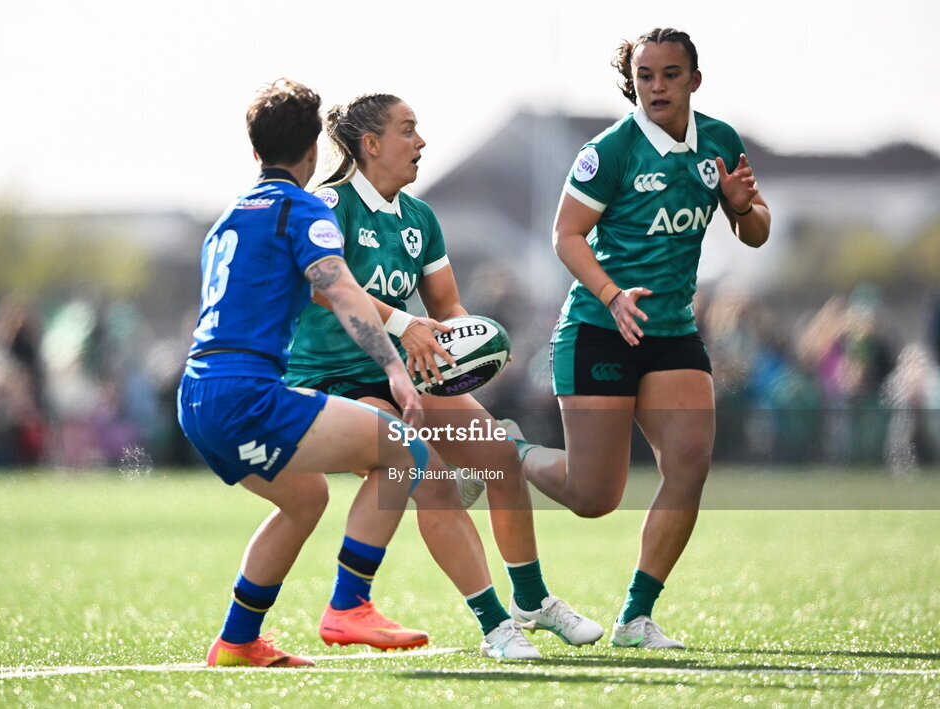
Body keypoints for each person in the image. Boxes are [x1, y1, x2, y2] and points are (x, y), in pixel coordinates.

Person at [285, 93, 603, 658]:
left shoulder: (419, 217)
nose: (422, 142)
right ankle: (494, 626)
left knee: (501, 456)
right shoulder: (329, 204)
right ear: (371, 144)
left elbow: (448, 305)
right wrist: (408, 324)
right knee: (426, 475)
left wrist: (472, 341)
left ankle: (531, 599)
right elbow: (321, 283)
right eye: (408, 130)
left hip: (406, 376)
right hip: (327, 381)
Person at [511, 28, 771, 649]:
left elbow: (756, 232)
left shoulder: (720, 142)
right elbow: (565, 235)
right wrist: (611, 295)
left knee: (690, 462)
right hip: (600, 328)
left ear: (694, 80)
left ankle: (636, 616)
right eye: (646, 75)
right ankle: (510, 452)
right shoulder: (611, 150)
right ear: (634, 82)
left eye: (670, 74)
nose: (657, 86)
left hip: (673, 332)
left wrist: (743, 207)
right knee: (594, 496)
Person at [177, 79, 434, 668]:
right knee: (402, 451)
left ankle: (238, 640)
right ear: (314, 151)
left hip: (197, 394)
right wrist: (394, 367)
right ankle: (349, 606)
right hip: (245, 392)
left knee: (305, 498)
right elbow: (340, 290)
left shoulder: (227, 218)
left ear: (255, 151)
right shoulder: (302, 208)